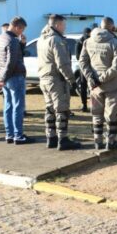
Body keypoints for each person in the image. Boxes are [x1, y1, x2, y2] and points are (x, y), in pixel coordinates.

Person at [79, 17, 117, 150]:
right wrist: (102, 78)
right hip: (112, 84)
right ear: (112, 28)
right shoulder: (116, 43)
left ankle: (97, 141)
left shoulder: (88, 41)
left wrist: (90, 77)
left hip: (94, 85)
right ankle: (111, 141)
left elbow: (82, 61)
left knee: (96, 113)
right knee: (111, 114)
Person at [38, 14, 81, 150]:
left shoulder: (41, 39)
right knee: (61, 109)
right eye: (63, 25)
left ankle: (51, 137)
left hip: (44, 78)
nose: (65, 28)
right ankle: (63, 139)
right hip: (56, 80)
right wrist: (72, 81)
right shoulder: (56, 40)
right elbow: (62, 64)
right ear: (57, 25)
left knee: (50, 108)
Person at [0, 16, 30, 144]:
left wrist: (2, 77)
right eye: (22, 30)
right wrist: (3, 78)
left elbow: (1, 59)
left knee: (8, 106)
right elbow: (11, 61)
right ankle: (18, 135)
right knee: (18, 107)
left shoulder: (0, 38)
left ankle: (9, 134)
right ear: (16, 27)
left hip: (5, 76)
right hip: (14, 76)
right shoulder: (12, 40)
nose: (22, 33)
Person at [76, 27, 91, 112]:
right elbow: (78, 57)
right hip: (83, 67)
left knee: (93, 86)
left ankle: (93, 104)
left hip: (92, 67)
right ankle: (84, 104)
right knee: (83, 86)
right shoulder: (79, 42)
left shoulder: (91, 41)